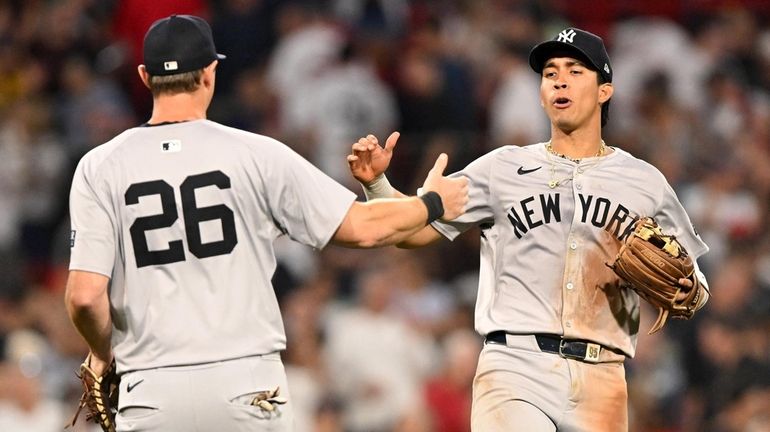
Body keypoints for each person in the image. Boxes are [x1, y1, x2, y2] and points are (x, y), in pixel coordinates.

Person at [63, 14, 468, 432]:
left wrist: (102, 351)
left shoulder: (100, 167)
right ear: (209, 73)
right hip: (247, 384)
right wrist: (434, 202)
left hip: (152, 387)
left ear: (145, 77)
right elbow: (366, 229)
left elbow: (84, 298)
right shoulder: (254, 154)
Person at [347, 27, 711, 431]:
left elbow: (693, 281)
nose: (559, 79)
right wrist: (377, 185)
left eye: (575, 70)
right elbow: (414, 232)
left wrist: (689, 290)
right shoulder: (501, 167)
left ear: (604, 90)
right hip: (515, 366)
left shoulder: (645, 182)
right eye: (550, 71)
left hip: (603, 377)